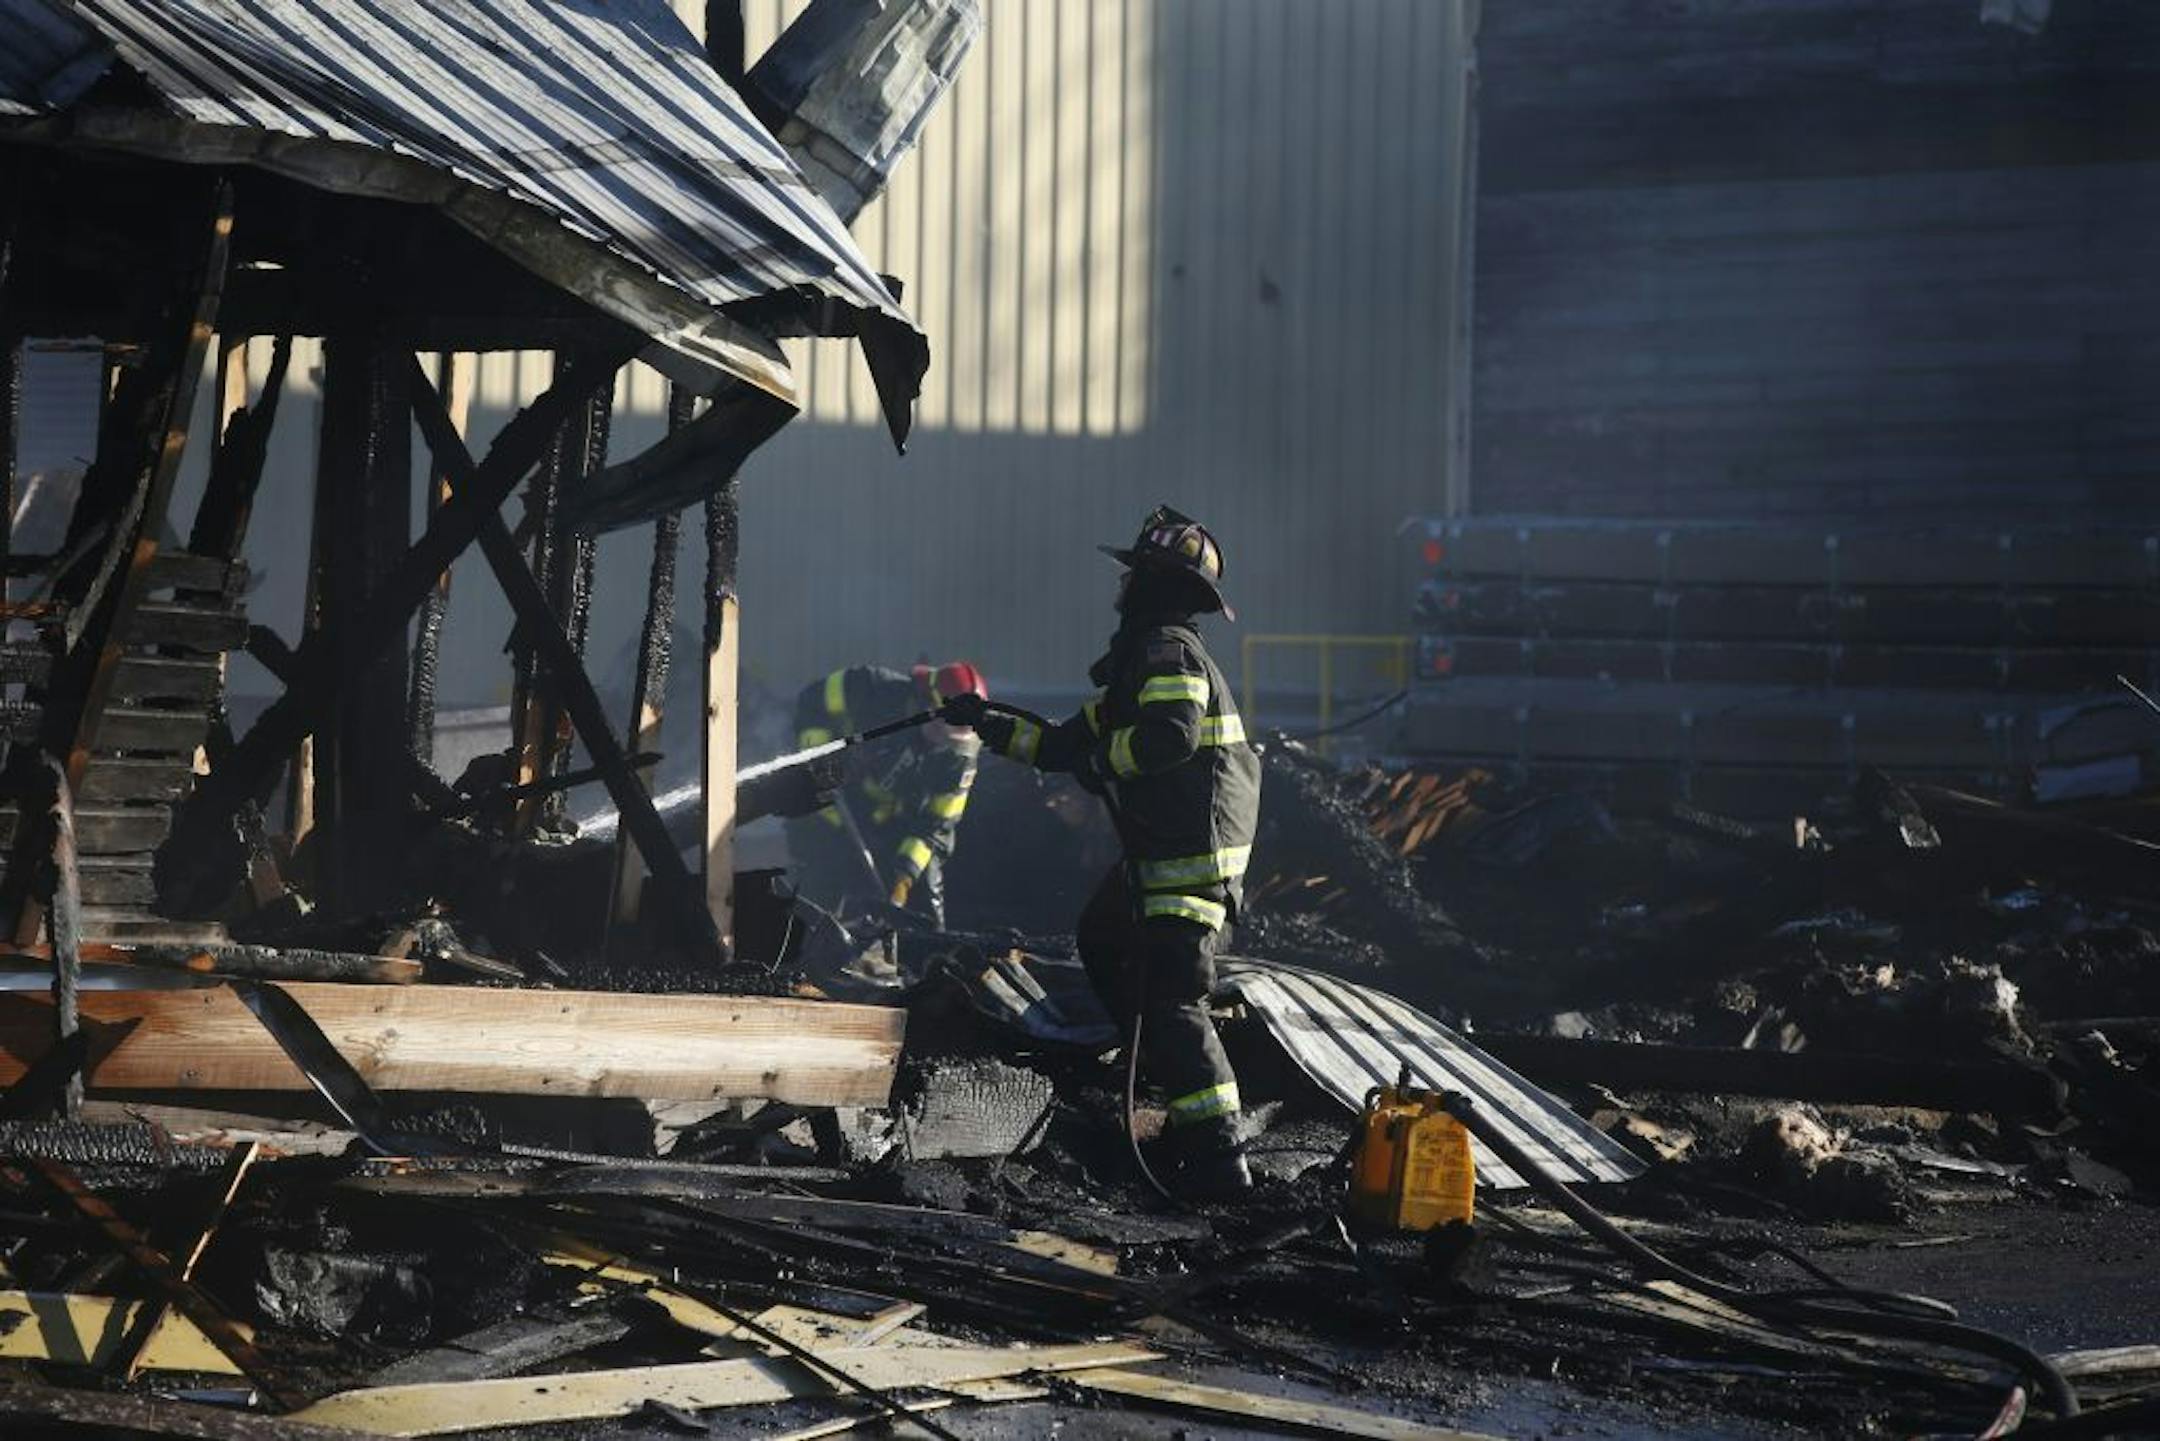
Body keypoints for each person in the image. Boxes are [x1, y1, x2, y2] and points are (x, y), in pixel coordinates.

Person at [944, 505, 1261, 1198]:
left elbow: (1170, 737)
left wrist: (1104, 765)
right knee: (1102, 934)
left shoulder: (1168, 652)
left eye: (1135, 575)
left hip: (1190, 864)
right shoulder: (1138, 666)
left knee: (1175, 996)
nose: (1122, 588)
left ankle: (1219, 1156)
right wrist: (988, 725)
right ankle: (1161, 1080)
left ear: (1158, 586)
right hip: (1161, 858)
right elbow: (1063, 745)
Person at [785, 660, 987, 928]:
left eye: (954, 737)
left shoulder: (958, 762)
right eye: (939, 728)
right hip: (830, 801)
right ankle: (801, 950)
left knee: (922, 896)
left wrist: (904, 878)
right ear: (925, 703)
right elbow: (812, 700)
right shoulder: (873, 689)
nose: (942, 742)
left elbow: (935, 828)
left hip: (886, 821)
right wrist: (818, 755)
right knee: (823, 875)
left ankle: (924, 959)